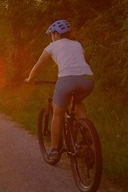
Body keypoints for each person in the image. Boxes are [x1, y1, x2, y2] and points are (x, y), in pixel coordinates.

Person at [25, 20, 94, 162]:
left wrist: (30, 79)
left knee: (57, 113)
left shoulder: (52, 46)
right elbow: (83, 61)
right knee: (78, 101)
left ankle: (54, 150)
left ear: (56, 34)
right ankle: (86, 131)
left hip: (67, 80)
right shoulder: (77, 44)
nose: (51, 36)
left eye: (51, 34)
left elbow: (38, 66)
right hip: (88, 79)